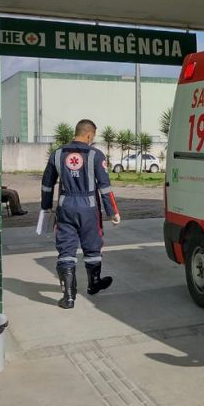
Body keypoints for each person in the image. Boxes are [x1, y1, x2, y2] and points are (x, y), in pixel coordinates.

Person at [41, 119, 121, 309]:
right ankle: (94, 283)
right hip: (89, 208)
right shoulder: (95, 155)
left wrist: (46, 206)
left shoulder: (57, 154)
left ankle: (68, 297)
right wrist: (112, 212)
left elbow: (47, 184)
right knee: (92, 246)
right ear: (89, 134)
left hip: (65, 206)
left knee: (66, 249)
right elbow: (105, 187)